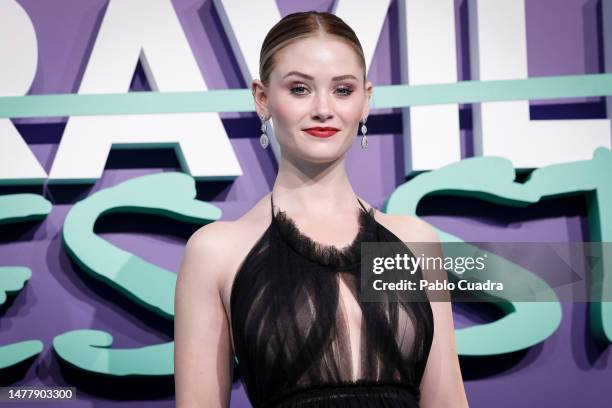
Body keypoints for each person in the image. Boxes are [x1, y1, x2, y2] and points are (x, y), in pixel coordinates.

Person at [174, 10, 468, 408]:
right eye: (299, 89)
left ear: (366, 100)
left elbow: (446, 399)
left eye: (343, 90)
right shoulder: (218, 251)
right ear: (262, 98)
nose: (323, 109)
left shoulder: (415, 242)